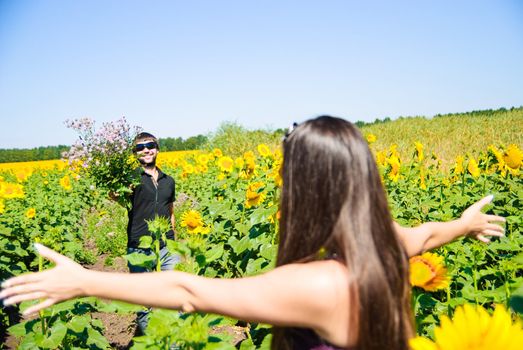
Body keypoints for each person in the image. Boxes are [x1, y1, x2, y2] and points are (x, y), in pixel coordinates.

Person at [1, 116, 504, 350]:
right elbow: (428, 235)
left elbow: (188, 290)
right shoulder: (385, 243)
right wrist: (466, 223)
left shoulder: (321, 286)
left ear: (305, 189)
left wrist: (86, 281)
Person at [125, 132, 180, 332]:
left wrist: (175, 242)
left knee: (176, 296)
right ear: (135, 153)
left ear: (157, 149)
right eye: (140, 147)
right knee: (144, 301)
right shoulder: (130, 180)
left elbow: (171, 211)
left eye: (150, 145)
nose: (146, 150)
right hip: (140, 247)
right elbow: (115, 195)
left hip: (168, 246)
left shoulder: (169, 181)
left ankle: (174, 344)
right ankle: (152, 342)